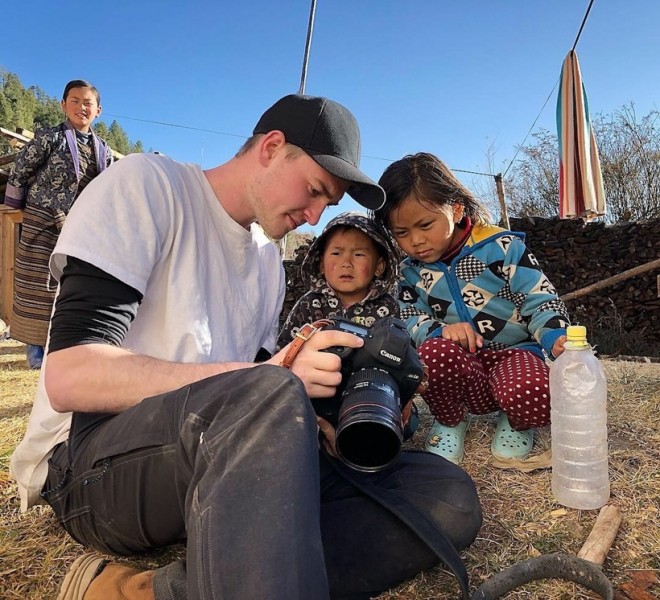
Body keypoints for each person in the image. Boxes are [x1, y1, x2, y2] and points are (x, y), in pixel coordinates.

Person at [10, 96, 482, 600]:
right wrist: (275, 380)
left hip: (224, 466)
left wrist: (331, 416)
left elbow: (261, 396)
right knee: (269, 389)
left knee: (444, 495)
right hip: (94, 465)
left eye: (329, 202)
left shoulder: (265, 263)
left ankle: (154, 591)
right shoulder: (148, 187)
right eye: (316, 190)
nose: (316, 214)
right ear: (273, 148)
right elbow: (69, 376)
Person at [373, 152, 570, 465]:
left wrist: (554, 335)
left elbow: (538, 296)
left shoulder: (502, 247)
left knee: (536, 389)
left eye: (425, 225)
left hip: (516, 355)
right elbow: (408, 317)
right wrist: (438, 331)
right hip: (461, 368)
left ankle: (517, 422)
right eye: (402, 233)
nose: (416, 241)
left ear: (456, 208)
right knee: (431, 355)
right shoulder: (409, 272)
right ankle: (451, 420)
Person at [4, 79, 113, 369]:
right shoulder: (47, 138)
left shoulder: (105, 151)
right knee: (37, 284)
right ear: (63, 105)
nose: (81, 107)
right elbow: (20, 171)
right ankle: (35, 350)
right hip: (43, 221)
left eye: (87, 102)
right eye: (75, 101)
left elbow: (109, 189)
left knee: (72, 285)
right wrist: (18, 209)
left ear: (98, 110)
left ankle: (62, 346)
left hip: (81, 227)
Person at [277, 211, 400, 348]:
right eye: (336, 253)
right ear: (321, 265)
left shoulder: (389, 307)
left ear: (379, 267)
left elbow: (400, 352)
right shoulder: (309, 304)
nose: (346, 263)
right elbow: (284, 352)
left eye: (359, 254)